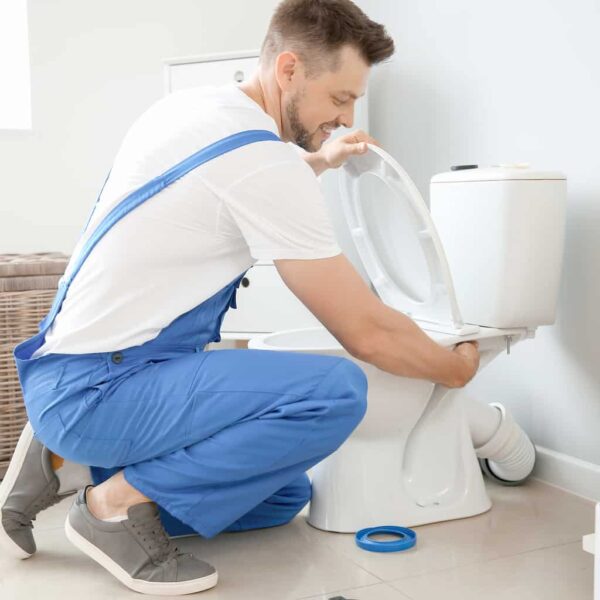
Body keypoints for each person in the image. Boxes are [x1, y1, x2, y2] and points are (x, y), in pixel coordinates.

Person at [0, 0, 479, 595]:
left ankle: (64, 466)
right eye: (339, 98)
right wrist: (453, 369)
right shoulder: (262, 162)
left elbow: (240, 181)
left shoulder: (197, 108)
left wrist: (319, 161)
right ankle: (110, 508)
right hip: (101, 387)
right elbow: (368, 334)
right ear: (288, 69)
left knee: (282, 496)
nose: (346, 116)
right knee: (333, 395)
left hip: (78, 370)